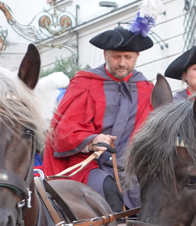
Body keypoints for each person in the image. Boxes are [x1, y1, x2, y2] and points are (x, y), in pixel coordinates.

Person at [43, 0, 163, 211]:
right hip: (89, 162)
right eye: (116, 57)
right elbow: (62, 132)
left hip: (132, 166)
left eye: (128, 57)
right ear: (105, 55)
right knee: (108, 190)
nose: (122, 63)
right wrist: (92, 140)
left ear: (137, 57)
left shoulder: (145, 88)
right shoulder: (85, 84)